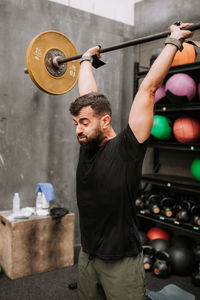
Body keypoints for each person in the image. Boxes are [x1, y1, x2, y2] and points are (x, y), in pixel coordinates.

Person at [69, 22, 193, 300]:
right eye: (76, 123)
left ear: (105, 121)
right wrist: (87, 60)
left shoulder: (127, 147)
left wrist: (173, 41)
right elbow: (87, 96)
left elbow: (148, 88)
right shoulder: (87, 144)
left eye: (84, 123)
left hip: (121, 262)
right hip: (88, 256)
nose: (78, 129)